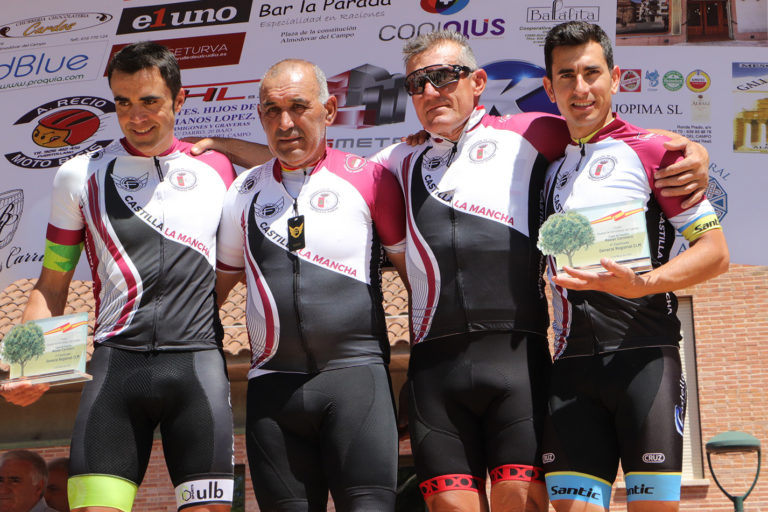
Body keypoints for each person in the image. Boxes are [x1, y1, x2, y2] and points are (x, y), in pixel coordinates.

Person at [189, 31, 709, 512]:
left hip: (518, 361)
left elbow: (605, 132)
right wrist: (229, 147)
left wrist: (686, 147)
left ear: (477, 82)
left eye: (446, 76)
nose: (433, 89)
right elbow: (310, 156)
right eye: (420, 82)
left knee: (518, 499)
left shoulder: (532, 134)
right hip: (435, 370)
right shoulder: (394, 162)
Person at [3, 42, 236, 512]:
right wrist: (22, 367)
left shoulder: (218, 169)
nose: (136, 116)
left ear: (179, 99)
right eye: (123, 102)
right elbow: (52, 283)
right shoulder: (79, 174)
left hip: (197, 366)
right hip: (117, 369)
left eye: (150, 100)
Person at [539, 21, 729, 512]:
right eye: (566, 76)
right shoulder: (545, 164)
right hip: (571, 364)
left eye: (591, 73)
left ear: (615, 77)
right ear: (549, 87)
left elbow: (714, 251)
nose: (580, 89)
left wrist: (644, 285)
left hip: (645, 358)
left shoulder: (655, 151)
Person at [214, 59, 408, 511]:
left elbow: (415, 280)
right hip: (272, 390)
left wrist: (426, 370)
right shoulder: (242, 192)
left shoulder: (370, 178)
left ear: (329, 109)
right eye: (271, 111)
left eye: (298, 107)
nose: (285, 123)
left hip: (357, 381)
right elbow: (215, 292)